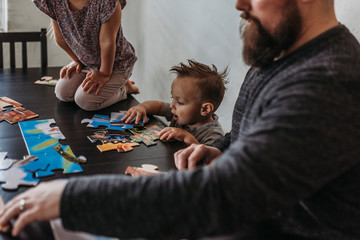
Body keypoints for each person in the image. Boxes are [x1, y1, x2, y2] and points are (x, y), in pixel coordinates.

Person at [1, 0, 360, 239]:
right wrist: (220, 149)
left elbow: (221, 197)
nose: (239, 4)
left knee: (50, 216)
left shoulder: (326, 81)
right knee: (34, 222)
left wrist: (69, 197)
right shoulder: (279, 57)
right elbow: (248, 135)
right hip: (241, 216)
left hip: (253, 226)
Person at [33, 0, 139, 111]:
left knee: (85, 101)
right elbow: (61, 39)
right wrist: (78, 61)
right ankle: (111, 82)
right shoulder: (54, 2)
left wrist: (103, 74)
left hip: (115, 64)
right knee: (63, 93)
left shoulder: (107, 2)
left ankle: (124, 89)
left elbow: (107, 42)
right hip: (88, 63)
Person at [122, 59, 228, 146]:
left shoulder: (214, 136)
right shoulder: (179, 112)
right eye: (172, 98)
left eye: (180, 102)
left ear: (205, 109)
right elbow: (159, 106)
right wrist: (142, 107)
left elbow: (207, 162)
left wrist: (186, 137)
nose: (172, 105)